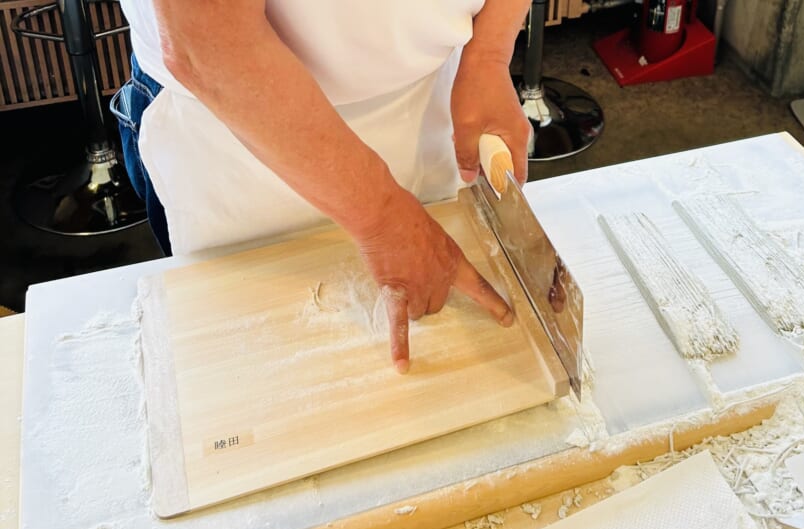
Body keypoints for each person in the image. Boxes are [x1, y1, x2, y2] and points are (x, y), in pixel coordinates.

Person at [111, 1, 533, 373]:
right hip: (240, 126)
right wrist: (383, 219)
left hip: (427, 92)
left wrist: (489, 54)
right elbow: (207, 44)